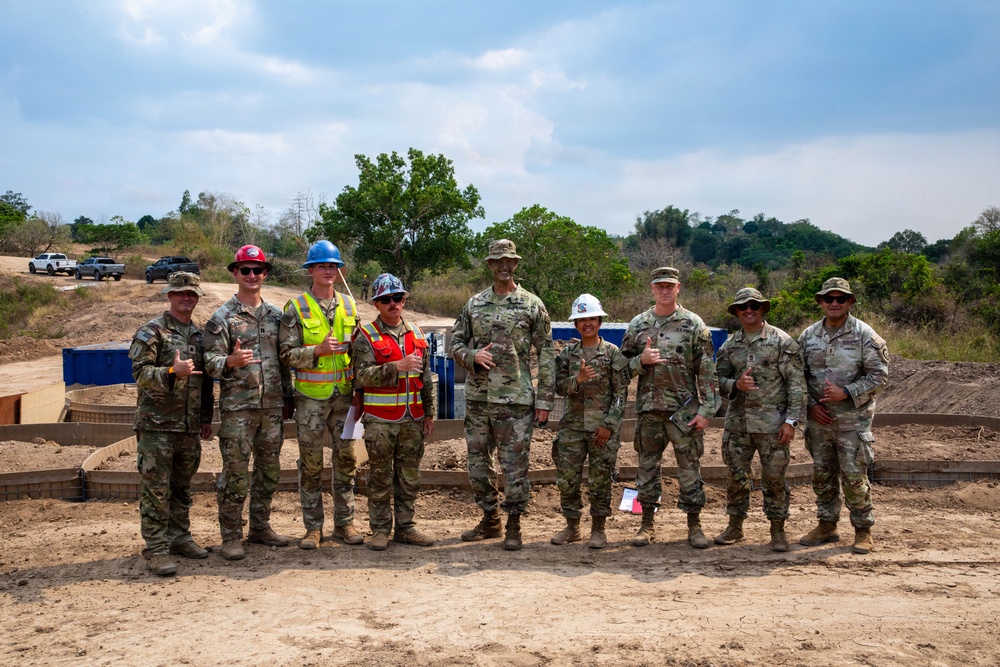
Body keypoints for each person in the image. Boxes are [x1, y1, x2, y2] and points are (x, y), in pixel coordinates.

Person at [451, 239, 556, 550]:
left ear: (516, 264)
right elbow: (455, 342)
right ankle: (490, 520)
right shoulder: (474, 304)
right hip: (478, 400)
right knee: (477, 467)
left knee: (514, 467)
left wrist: (545, 400)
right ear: (489, 265)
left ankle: (513, 525)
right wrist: (471, 356)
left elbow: (546, 353)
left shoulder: (532, 305)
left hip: (516, 401)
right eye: (498, 261)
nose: (504, 266)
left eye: (509, 261)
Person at [203, 245, 294, 561]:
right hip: (238, 410)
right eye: (246, 270)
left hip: (272, 408)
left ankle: (260, 527)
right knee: (236, 474)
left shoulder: (277, 316)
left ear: (265, 274)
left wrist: (288, 396)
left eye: (257, 270)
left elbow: (284, 361)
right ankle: (231, 536)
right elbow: (209, 362)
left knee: (269, 471)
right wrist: (229, 361)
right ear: (235, 273)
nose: (252, 275)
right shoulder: (222, 317)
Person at [620, 267, 721, 549]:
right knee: (647, 469)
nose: (665, 290)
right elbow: (620, 369)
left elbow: (707, 371)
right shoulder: (638, 324)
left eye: (669, 286)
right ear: (652, 289)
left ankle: (694, 525)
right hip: (649, 410)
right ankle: (646, 524)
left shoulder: (693, 324)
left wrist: (707, 410)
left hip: (684, 412)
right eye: (660, 286)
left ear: (678, 288)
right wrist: (641, 361)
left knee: (690, 469)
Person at [279, 240, 364, 549]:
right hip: (310, 399)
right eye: (322, 266)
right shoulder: (296, 308)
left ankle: (345, 523)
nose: (328, 271)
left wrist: (359, 391)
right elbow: (285, 355)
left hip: (344, 397)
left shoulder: (350, 305)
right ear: (310, 271)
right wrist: (317, 350)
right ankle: (313, 528)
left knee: (347, 460)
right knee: (311, 464)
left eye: (333, 266)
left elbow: (359, 353)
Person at [130, 271, 214, 576]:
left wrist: (205, 419)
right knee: (156, 490)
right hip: (157, 426)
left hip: (188, 427)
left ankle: (179, 537)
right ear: (169, 295)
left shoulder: (200, 337)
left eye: (191, 294)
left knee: (182, 487)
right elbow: (139, 373)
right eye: (180, 293)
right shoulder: (152, 331)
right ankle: (156, 548)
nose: (186, 298)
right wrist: (170, 372)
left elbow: (206, 383)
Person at [798, 277, 889, 555]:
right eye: (829, 298)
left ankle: (863, 529)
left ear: (850, 302)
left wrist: (847, 392)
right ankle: (827, 525)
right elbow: (796, 377)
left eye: (840, 299)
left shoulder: (865, 335)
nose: (834, 303)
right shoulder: (808, 336)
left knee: (854, 477)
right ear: (820, 302)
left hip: (852, 423)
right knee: (822, 476)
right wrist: (810, 405)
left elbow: (879, 376)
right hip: (819, 421)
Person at [713, 288, 807, 552]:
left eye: (754, 305)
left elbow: (796, 385)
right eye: (743, 307)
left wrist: (791, 421)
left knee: (774, 479)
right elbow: (716, 381)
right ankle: (735, 526)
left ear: (762, 309)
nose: (749, 310)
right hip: (738, 426)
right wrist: (735, 384)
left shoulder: (782, 342)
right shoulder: (729, 346)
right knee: (736, 477)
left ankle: (777, 530)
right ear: (736, 312)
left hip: (773, 427)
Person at [352, 273, 436, 551]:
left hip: (413, 419)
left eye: (397, 298)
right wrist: (396, 367)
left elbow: (425, 378)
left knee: (409, 477)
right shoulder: (366, 336)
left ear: (404, 300)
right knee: (380, 476)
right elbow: (360, 376)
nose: (393, 304)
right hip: (381, 421)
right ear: (376, 304)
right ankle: (379, 530)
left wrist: (429, 413)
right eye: (386, 299)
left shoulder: (417, 333)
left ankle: (406, 528)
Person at [551, 294, 629, 549]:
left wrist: (609, 425)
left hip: (601, 430)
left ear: (600, 322)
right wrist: (578, 379)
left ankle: (598, 530)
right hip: (572, 428)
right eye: (582, 320)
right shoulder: (566, 355)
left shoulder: (612, 353)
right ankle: (572, 527)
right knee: (568, 480)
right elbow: (558, 388)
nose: (587, 324)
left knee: (600, 480)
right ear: (575, 324)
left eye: (592, 319)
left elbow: (621, 394)